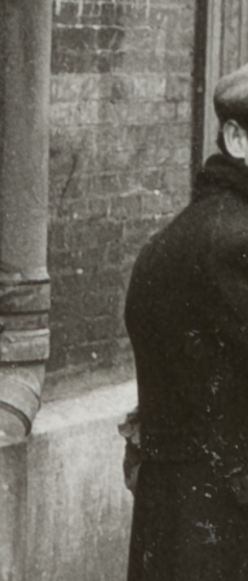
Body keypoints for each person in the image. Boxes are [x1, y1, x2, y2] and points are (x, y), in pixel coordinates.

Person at [123, 65, 248, 580]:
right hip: (220, 520)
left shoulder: (192, 230)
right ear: (237, 138)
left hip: (181, 515)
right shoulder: (233, 244)